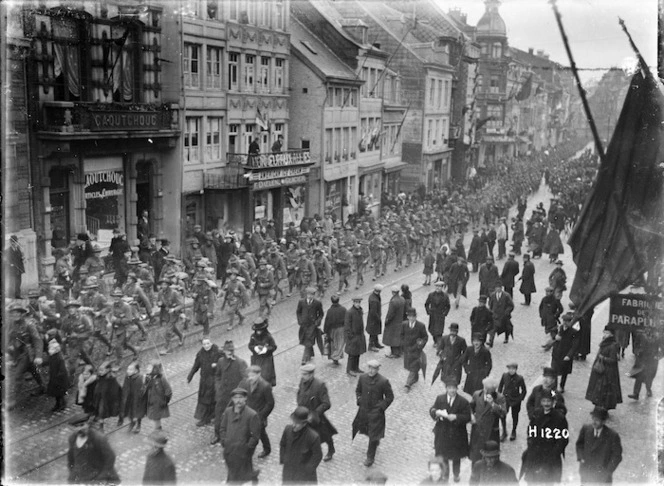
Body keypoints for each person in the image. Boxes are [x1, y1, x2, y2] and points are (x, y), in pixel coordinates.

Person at [520, 389, 569, 484]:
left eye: (549, 401)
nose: (546, 404)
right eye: (544, 401)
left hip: (550, 457)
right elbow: (530, 430)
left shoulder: (559, 418)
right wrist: (531, 443)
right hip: (535, 454)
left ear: (553, 402)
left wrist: (553, 454)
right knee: (531, 481)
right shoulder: (537, 413)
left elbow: (563, 440)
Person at [352, 360, 394, 467]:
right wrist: (359, 400)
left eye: (374, 368)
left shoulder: (383, 381)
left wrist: (381, 407)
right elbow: (358, 391)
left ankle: (370, 457)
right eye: (369, 368)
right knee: (366, 430)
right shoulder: (362, 378)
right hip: (364, 411)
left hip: (376, 414)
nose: (371, 370)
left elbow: (390, 397)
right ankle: (376, 440)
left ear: (378, 369)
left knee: (373, 434)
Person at [430, 378, 471, 483]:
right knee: (444, 457)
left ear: (457, 389)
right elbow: (433, 410)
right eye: (450, 388)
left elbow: (467, 417)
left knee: (456, 457)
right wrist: (436, 413)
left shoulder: (463, 402)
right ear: (446, 389)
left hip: (457, 434)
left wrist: (456, 417)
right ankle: (445, 477)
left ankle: (456, 474)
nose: (452, 390)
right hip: (442, 433)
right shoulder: (440, 399)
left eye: (454, 388)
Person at [219, 387, 261, 484]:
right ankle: (252, 475)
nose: (238, 400)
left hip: (242, 453)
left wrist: (246, 449)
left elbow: (255, 437)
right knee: (233, 471)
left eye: (241, 397)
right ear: (232, 399)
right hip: (229, 450)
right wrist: (224, 441)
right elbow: (222, 428)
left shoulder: (252, 415)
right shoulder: (228, 412)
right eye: (236, 398)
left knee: (236, 478)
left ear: (245, 398)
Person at [296, 364, 338, 462]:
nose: (302, 376)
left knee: (325, 434)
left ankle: (331, 450)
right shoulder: (303, 381)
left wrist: (315, 413)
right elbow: (299, 392)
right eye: (302, 374)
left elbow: (326, 403)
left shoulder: (320, 385)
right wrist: (299, 404)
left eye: (305, 374)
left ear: (311, 375)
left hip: (316, 417)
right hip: (304, 415)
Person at [211, 340, 248, 445]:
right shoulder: (221, 361)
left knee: (235, 417)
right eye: (227, 351)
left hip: (235, 396)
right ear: (224, 351)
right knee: (218, 415)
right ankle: (217, 435)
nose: (229, 353)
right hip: (222, 394)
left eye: (231, 350)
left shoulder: (240, 362)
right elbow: (217, 376)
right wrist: (218, 387)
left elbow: (245, 378)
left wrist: (238, 392)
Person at [575, 406, 623, 484]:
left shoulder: (612, 436)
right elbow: (579, 444)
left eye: (597, 420)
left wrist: (608, 471)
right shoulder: (586, 429)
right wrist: (581, 457)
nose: (594, 422)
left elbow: (617, 456)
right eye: (593, 418)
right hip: (586, 472)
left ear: (604, 421)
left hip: (602, 477)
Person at [67, 416, 120, 484]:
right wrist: (72, 472)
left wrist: (101, 477)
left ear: (88, 424)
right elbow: (71, 458)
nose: (80, 428)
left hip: (97, 477)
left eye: (82, 425)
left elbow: (110, 458)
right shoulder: (72, 438)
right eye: (76, 426)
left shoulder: (98, 439)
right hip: (80, 477)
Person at [239, 365, 275, 459]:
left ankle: (267, 449)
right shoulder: (245, 383)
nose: (250, 378)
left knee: (261, 433)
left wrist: (261, 415)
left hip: (259, 415)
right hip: (247, 413)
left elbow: (270, 404)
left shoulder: (265, 386)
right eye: (249, 376)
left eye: (253, 376)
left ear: (259, 374)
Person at [280, 406, 323, 483]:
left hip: (303, 475)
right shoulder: (287, 429)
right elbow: (283, 444)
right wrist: (284, 458)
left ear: (304, 424)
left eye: (297, 423)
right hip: (288, 470)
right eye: (293, 421)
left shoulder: (313, 437)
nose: (294, 425)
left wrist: (308, 469)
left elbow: (317, 455)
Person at [469, 379, 506, 464]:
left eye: (490, 390)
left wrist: (493, 404)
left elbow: (503, 413)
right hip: (477, 431)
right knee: (476, 457)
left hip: (491, 432)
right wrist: (471, 415)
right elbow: (470, 407)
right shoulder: (477, 394)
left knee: (490, 457)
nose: (487, 391)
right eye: (486, 389)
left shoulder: (499, 397)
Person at [585, 325, 622, 411]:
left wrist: (603, 358)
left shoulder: (612, 345)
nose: (604, 334)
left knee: (603, 390)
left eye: (607, 333)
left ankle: (602, 408)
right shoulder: (605, 342)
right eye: (604, 332)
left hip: (607, 372)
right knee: (598, 389)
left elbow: (613, 360)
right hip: (601, 370)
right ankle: (598, 406)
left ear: (611, 334)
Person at [187, 338, 221, 426]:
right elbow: (196, 366)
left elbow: (224, 363)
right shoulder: (200, 354)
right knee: (204, 399)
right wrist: (190, 376)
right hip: (204, 381)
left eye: (208, 343)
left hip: (214, 380)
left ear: (211, 343)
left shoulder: (218, 352)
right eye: (204, 344)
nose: (206, 346)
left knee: (212, 399)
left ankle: (211, 417)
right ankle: (206, 417)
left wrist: (217, 365)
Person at [628, 327, 663, 399]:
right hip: (642, 358)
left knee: (649, 376)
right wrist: (637, 351)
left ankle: (648, 389)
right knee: (639, 375)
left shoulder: (658, 337)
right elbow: (636, 344)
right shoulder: (641, 335)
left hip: (652, 360)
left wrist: (658, 356)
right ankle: (636, 393)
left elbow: (663, 348)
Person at [401, 307, 428, 391]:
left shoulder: (421, 326)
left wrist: (420, 345)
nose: (412, 318)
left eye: (413, 316)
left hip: (416, 349)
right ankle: (415, 378)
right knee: (410, 366)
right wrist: (403, 345)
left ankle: (408, 384)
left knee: (413, 366)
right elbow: (401, 335)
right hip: (407, 350)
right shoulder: (404, 324)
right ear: (407, 317)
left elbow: (425, 337)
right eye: (410, 316)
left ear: (416, 317)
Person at [497, 363, 526, 442]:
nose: (511, 370)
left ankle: (513, 431)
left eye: (513, 369)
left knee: (515, 416)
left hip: (515, 400)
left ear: (516, 369)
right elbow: (500, 386)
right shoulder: (504, 376)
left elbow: (524, 390)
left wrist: (520, 398)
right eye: (509, 369)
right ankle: (504, 431)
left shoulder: (520, 378)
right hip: (505, 399)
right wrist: (499, 396)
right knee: (503, 415)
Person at [550, 313, 579, 393]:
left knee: (564, 372)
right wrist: (555, 336)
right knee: (554, 371)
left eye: (568, 321)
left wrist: (569, 355)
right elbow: (552, 331)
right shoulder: (559, 328)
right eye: (564, 321)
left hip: (565, 355)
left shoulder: (574, 332)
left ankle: (562, 386)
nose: (565, 323)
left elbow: (575, 345)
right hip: (556, 353)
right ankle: (554, 388)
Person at [296, 287, 324, 365]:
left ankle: (304, 358)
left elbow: (321, 314)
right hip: (304, 325)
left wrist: (317, 322)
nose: (309, 296)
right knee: (306, 339)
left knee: (308, 340)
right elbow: (298, 312)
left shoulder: (317, 303)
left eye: (311, 295)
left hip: (312, 325)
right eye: (308, 294)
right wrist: (300, 320)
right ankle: (311, 353)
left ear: (314, 295)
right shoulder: (301, 302)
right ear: (306, 294)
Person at [120, 361, 146, 434]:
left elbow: (142, 389)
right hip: (130, 398)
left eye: (130, 370)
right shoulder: (127, 377)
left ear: (136, 371)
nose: (128, 371)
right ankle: (132, 422)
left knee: (138, 412)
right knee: (130, 412)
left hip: (138, 399)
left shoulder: (139, 378)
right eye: (128, 369)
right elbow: (125, 386)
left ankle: (138, 425)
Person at [145, 361, 172, 431]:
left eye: (149, 367)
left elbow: (168, 390)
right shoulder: (148, 378)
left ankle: (157, 431)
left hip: (158, 403)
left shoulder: (161, 378)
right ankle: (158, 429)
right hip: (151, 402)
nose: (147, 368)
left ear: (155, 369)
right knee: (155, 418)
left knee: (156, 418)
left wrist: (165, 400)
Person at [345, 296, 367, 376]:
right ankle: (349, 369)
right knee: (352, 354)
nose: (358, 304)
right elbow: (347, 326)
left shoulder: (360, 310)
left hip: (359, 335)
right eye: (356, 302)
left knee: (358, 353)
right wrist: (350, 336)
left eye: (359, 302)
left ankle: (356, 368)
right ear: (353, 303)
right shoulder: (349, 312)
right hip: (353, 336)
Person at [425, 281, 451, 347]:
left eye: (439, 287)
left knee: (439, 330)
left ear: (442, 287)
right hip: (433, 315)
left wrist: (445, 313)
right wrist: (428, 311)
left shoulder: (445, 296)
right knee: (432, 329)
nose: (438, 288)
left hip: (440, 315)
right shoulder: (431, 295)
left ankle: (439, 343)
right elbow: (427, 304)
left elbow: (448, 306)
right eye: (437, 286)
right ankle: (435, 341)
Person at [46, 340, 70, 412]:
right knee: (56, 393)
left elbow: (62, 370)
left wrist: (58, 378)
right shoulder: (52, 356)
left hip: (59, 379)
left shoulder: (59, 358)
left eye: (51, 349)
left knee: (60, 393)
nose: (50, 350)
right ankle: (58, 404)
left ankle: (62, 405)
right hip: (54, 378)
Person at [323, 294, 347, 365]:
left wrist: (325, 331)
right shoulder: (343, 309)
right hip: (342, 329)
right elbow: (347, 319)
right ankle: (338, 355)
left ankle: (335, 358)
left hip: (333, 330)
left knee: (333, 344)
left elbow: (327, 322)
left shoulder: (330, 311)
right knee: (340, 343)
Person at [383, 286, 405, 358]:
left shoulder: (393, 301)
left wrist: (387, 321)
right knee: (398, 337)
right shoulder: (402, 299)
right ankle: (400, 351)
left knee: (392, 338)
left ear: (393, 292)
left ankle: (395, 353)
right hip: (400, 321)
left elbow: (390, 313)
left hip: (393, 323)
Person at [367, 284, 384, 352]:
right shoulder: (374, 300)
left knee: (375, 331)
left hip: (374, 317)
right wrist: (378, 318)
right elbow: (373, 312)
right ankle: (371, 345)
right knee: (373, 332)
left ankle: (376, 343)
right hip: (374, 319)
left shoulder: (375, 296)